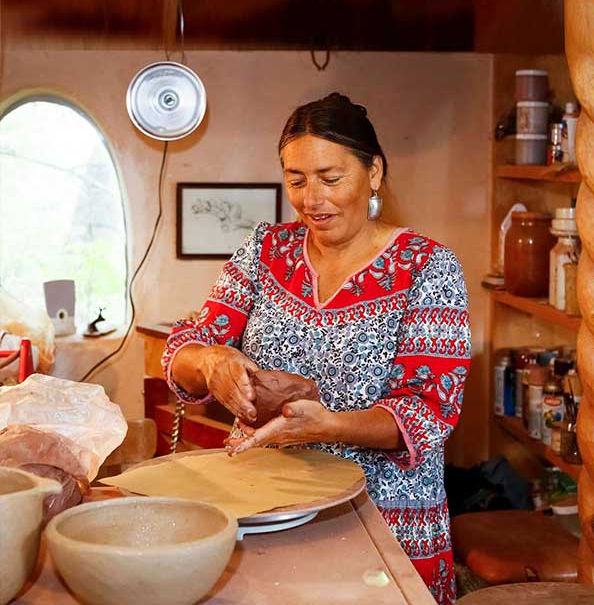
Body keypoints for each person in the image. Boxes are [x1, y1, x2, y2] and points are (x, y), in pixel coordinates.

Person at [162, 92, 471, 604]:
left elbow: (426, 411)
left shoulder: (427, 267)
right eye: (296, 180)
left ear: (373, 173)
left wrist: (325, 424)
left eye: (330, 178)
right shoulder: (264, 251)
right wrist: (210, 360)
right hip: (270, 508)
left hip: (387, 518)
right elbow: (185, 347)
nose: (311, 199)